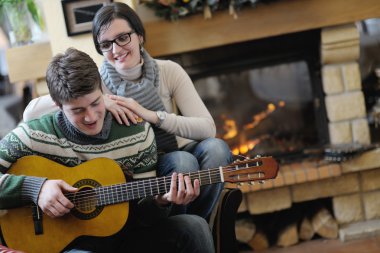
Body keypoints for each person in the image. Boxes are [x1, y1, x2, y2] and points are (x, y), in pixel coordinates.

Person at [23, 2, 233, 220]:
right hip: (142, 165)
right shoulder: (96, 84)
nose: (116, 50)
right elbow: (31, 113)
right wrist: (103, 98)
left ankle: (201, 224)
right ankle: (182, 227)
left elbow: (208, 128)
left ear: (140, 35)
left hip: (177, 147)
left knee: (216, 148)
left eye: (123, 38)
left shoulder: (169, 71)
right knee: (183, 163)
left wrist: (149, 114)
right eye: (106, 44)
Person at [0, 48, 214, 253]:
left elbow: (144, 216)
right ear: (57, 104)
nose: (91, 117)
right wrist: (36, 189)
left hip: (128, 237)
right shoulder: (31, 136)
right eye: (77, 110)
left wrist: (161, 201)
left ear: (102, 90)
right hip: (70, 246)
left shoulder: (137, 133)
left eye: (95, 103)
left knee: (194, 227)